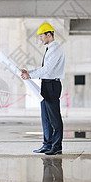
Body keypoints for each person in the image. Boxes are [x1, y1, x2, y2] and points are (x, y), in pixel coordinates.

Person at [21, 23, 65, 155]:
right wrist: (28, 72)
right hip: (46, 84)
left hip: (52, 85)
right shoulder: (50, 49)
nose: (40, 39)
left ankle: (56, 146)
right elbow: (44, 70)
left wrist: (30, 75)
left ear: (49, 35)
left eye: (41, 36)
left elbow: (47, 69)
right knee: (45, 117)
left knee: (54, 117)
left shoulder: (55, 49)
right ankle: (47, 144)